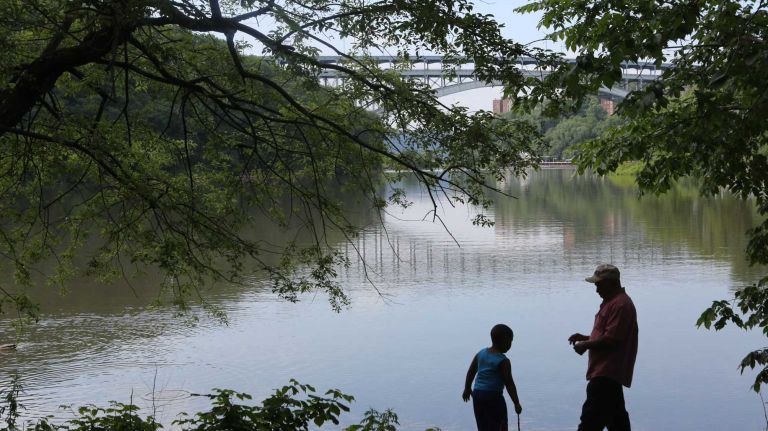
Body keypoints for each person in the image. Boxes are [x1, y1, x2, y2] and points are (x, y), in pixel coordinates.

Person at [569, 264, 638, 431]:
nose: (596, 289)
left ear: (611, 283)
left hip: (606, 373)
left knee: (589, 423)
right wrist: (585, 337)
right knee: (618, 422)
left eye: (599, 285)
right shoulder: (613, 302)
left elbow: (612, 339)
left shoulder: (620, 305)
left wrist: (585, 345)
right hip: (608, 374)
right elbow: (609, 334)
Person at [462, 324, 523, 431]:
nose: (511, 344)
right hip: (493, 397)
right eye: (510, 341)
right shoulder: (503, 361)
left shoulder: (481, 353)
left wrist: (467, 388)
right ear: (503, 341)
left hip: (477, 395)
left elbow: (471, 371)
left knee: (483, 425)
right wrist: (516, 403)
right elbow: (509, 384)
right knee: (500, 424)